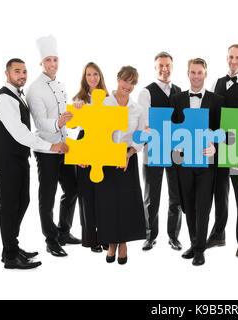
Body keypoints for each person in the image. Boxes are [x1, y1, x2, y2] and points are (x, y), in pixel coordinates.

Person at [0, 58, 68, 269]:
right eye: (17, 71)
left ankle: (11, 248)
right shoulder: (3, 99)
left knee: (21, 203)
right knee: (9, 208)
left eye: (24, 71)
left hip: (18, 160)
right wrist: (52, 147)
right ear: (7, 74)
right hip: (8, 161)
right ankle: (10, 256)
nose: (22, 75)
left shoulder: (17, 96)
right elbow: (21, 134)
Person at [26, 35, 80, 258]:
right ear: (41, 63)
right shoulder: (34, 89)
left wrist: (77, 110)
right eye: (48, 60)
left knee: (73, 189)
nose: (53, 64)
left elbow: (67, 116)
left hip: (65, 147)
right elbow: (39, 122)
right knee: (47, 196)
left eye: (55, 60)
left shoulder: (61, 84)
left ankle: (64, 231)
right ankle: (51, 240)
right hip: (47, 149)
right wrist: (58, 123)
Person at [170, 58, 223, 266]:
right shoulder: (177, 99)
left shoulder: (217, 100)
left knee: (203, 206)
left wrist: (215, 147)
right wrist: (175, 144)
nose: (196, 76)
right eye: (193, 72)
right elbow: (171, 128)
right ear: (188, 73)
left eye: (200, 72)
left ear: (205, 74)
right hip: (184, 162)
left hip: (206, 162)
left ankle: (200, 249)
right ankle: (194, 243)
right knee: (188, 205)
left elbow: (222, 130)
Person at [208, 44, 238, 257]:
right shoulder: (216, 83)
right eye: (231, 57)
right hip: (218, 147)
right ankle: (218, 234)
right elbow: (210, 113)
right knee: (220, 193)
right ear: (226, 58)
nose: (234, 61)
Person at [96, 66, 147, 265]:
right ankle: (111, 243)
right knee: (108, 202)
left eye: (132, 83)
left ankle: (123, 242)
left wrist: (130, 153)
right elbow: (93, 131)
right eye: (125, 81)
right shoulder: (104, 103)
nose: (128, 86)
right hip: (105, 157)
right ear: (117, 79)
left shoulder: (137, 109)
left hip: (127, 157)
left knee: (126, 203)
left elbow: (141, 136)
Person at [137, 52, 183, 251]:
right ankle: (149, 235)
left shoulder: (180, 91)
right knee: (151, 197)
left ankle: (174, 236)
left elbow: (182, 121)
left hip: (175, 151)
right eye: (160, 66)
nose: (164, 69)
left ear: (172, 67)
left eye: (168, 65)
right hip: (154, 149)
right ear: (155, 68)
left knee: (176, 196)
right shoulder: (146, 92)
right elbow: (144, 121)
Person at [72, 62, 109, 253]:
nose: (92, 77)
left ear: (100, 76)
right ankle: (90, 239)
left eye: (96, 74)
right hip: (85, 145)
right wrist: (79, 155)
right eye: (89, 74)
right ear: (84, 78)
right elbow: (70, 128)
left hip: (104, 147)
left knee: (103, 195)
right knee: (87, 195)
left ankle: (105, 235)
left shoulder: (109, 99)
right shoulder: (79, 99)